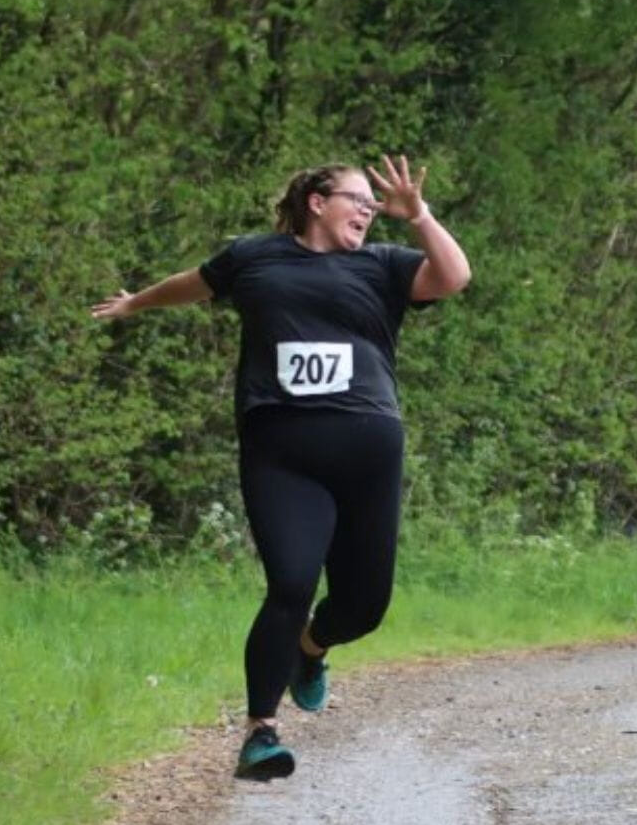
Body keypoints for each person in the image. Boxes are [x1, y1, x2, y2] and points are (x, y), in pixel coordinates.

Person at [92, 156, 470, 777]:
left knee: (364, 606)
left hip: (368, 448)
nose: (369, 212)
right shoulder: (254, 257)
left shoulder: (381, 266)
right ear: (317, 201)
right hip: (281, 448)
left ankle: (311, 648)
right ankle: (260, 733)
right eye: (359, 200)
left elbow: (454, 277)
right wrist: (137, 303)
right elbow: (193, 282)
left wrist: (419, 215)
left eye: (375, 208)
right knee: (291, 584)